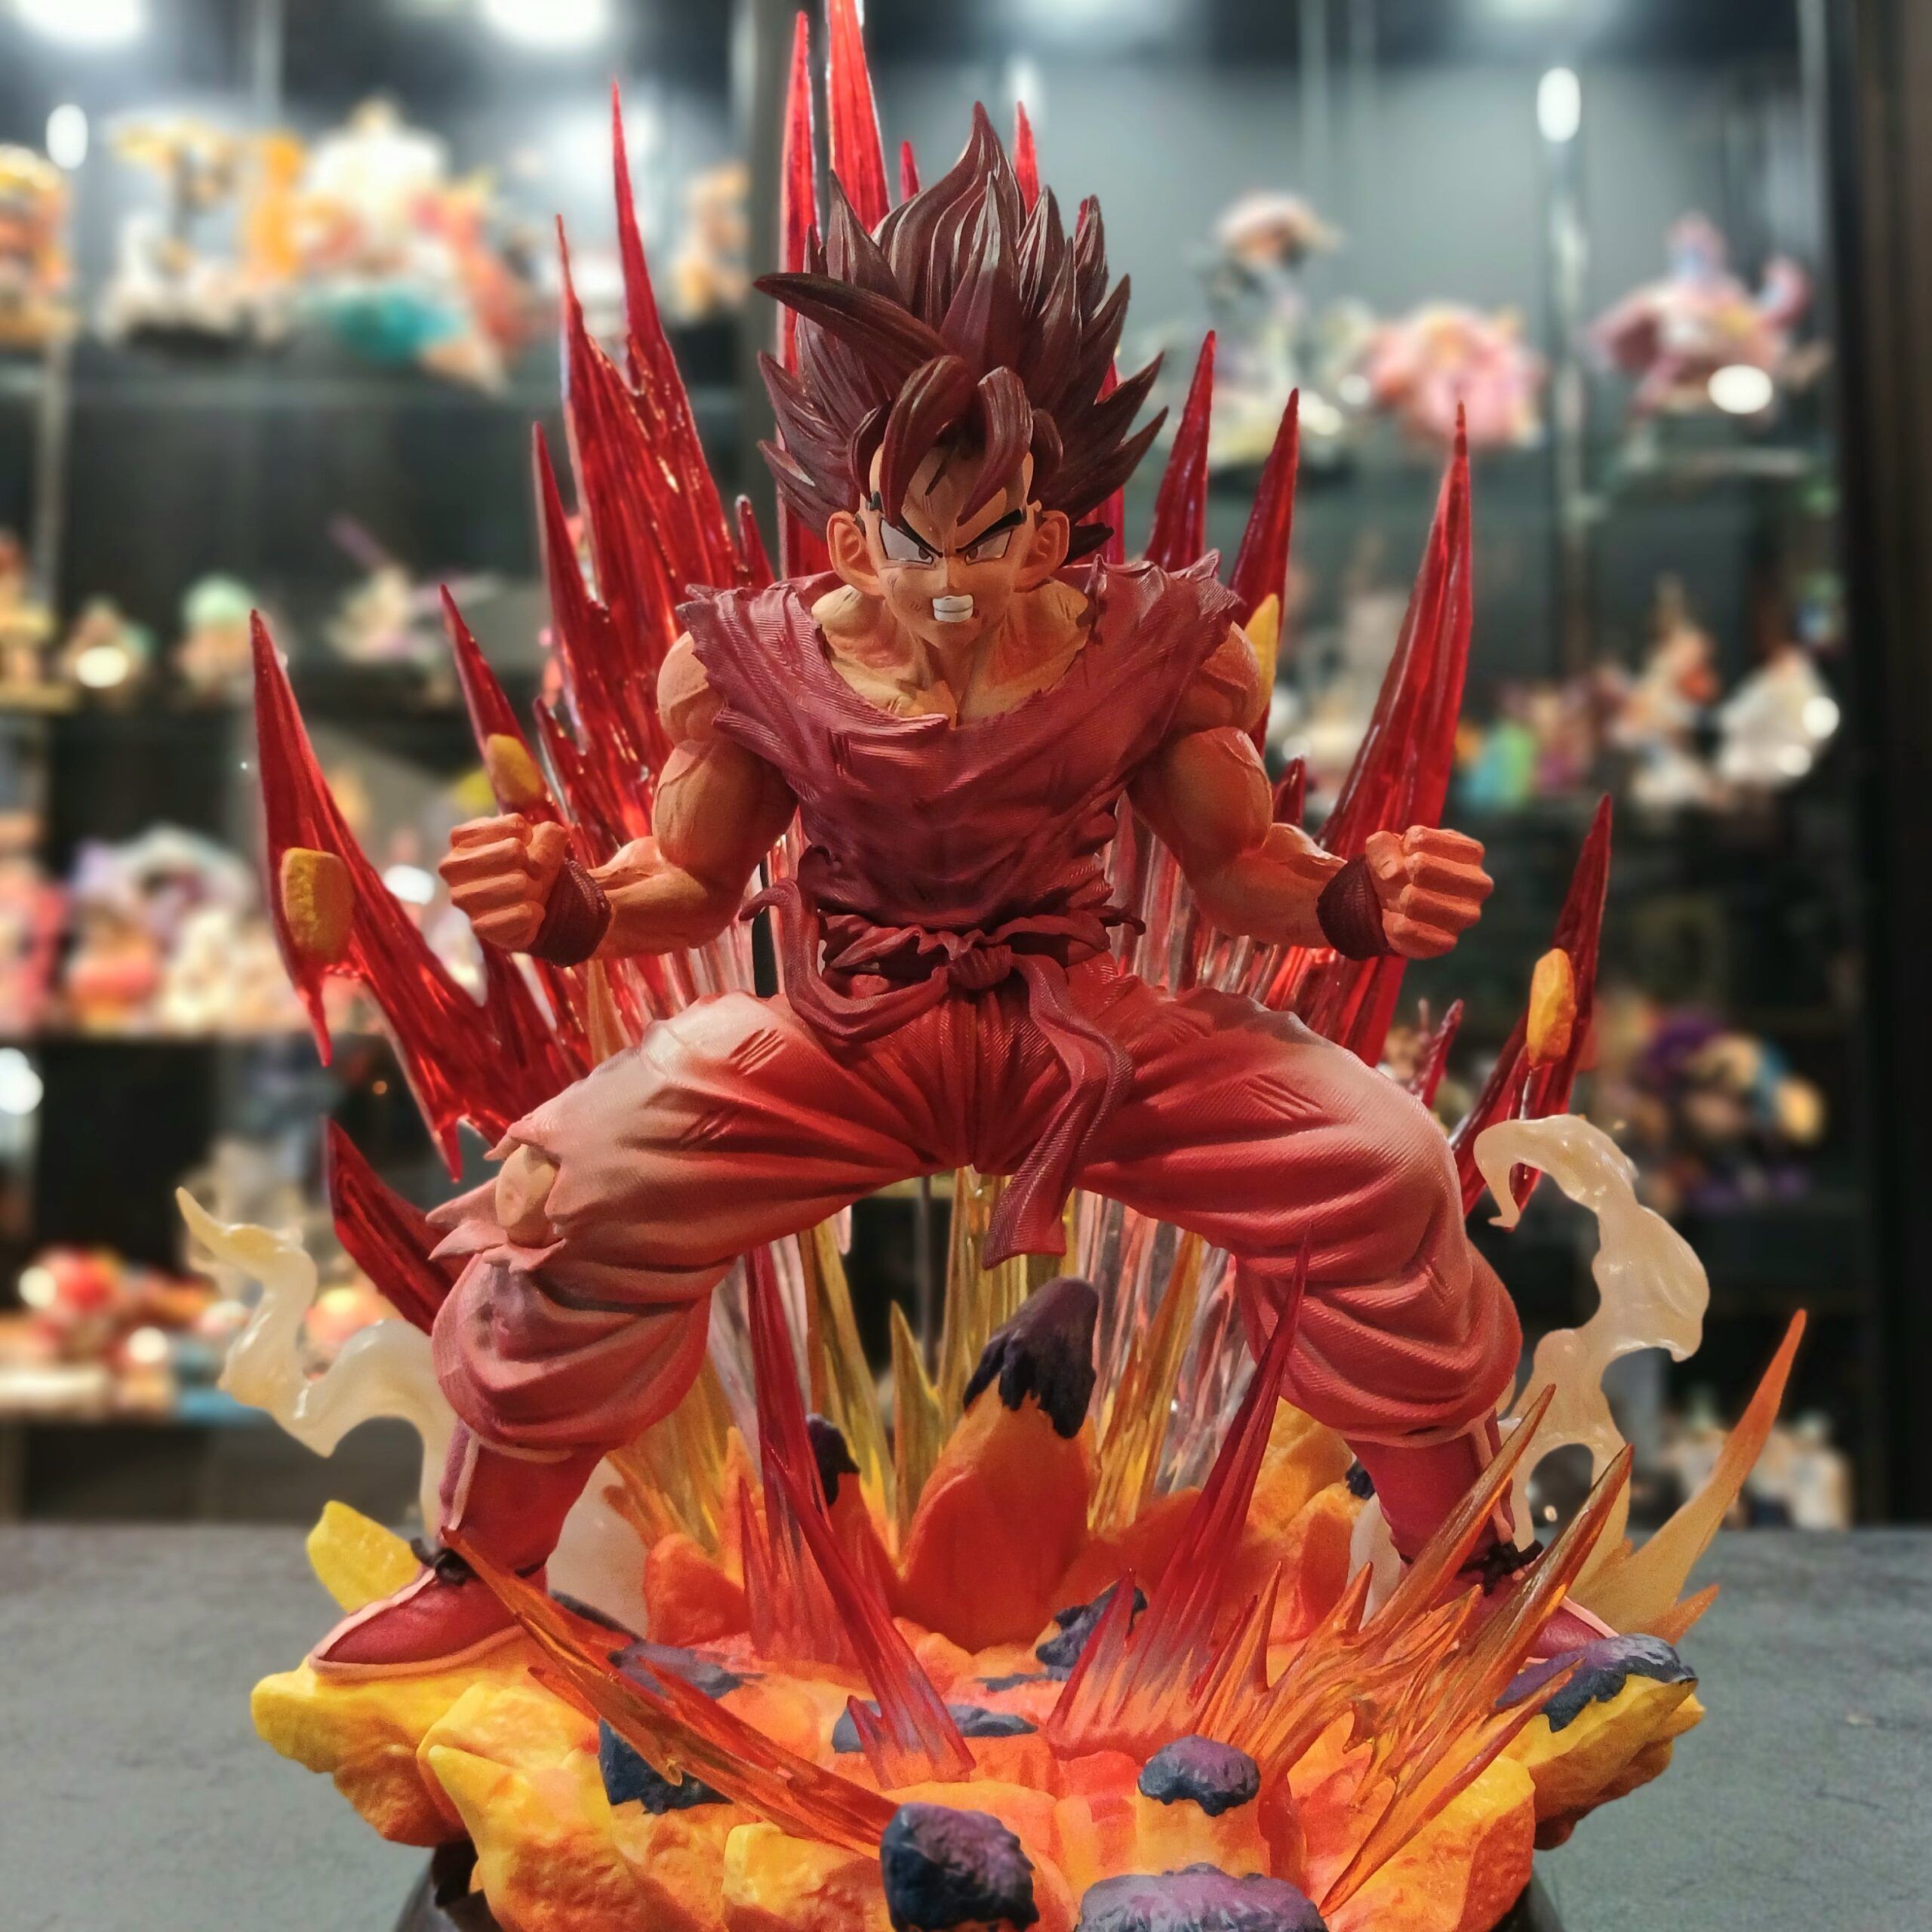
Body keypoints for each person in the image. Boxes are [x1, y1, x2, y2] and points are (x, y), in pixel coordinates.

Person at [314, 112, 1577, 1678]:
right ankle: (483, 1577)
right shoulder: (757, 657)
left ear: (1049, 528)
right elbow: (686, 880)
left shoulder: (1152, 646)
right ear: (855, 531)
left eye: (995, 537)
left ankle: (1476, 1583)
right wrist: (567, 903)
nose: (956, 580)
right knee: (571, 1190)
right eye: (922, 538)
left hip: (1082, 1031)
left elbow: (1241, 866)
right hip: (850, 1030)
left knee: (1376, 1166)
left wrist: (1354, 903)